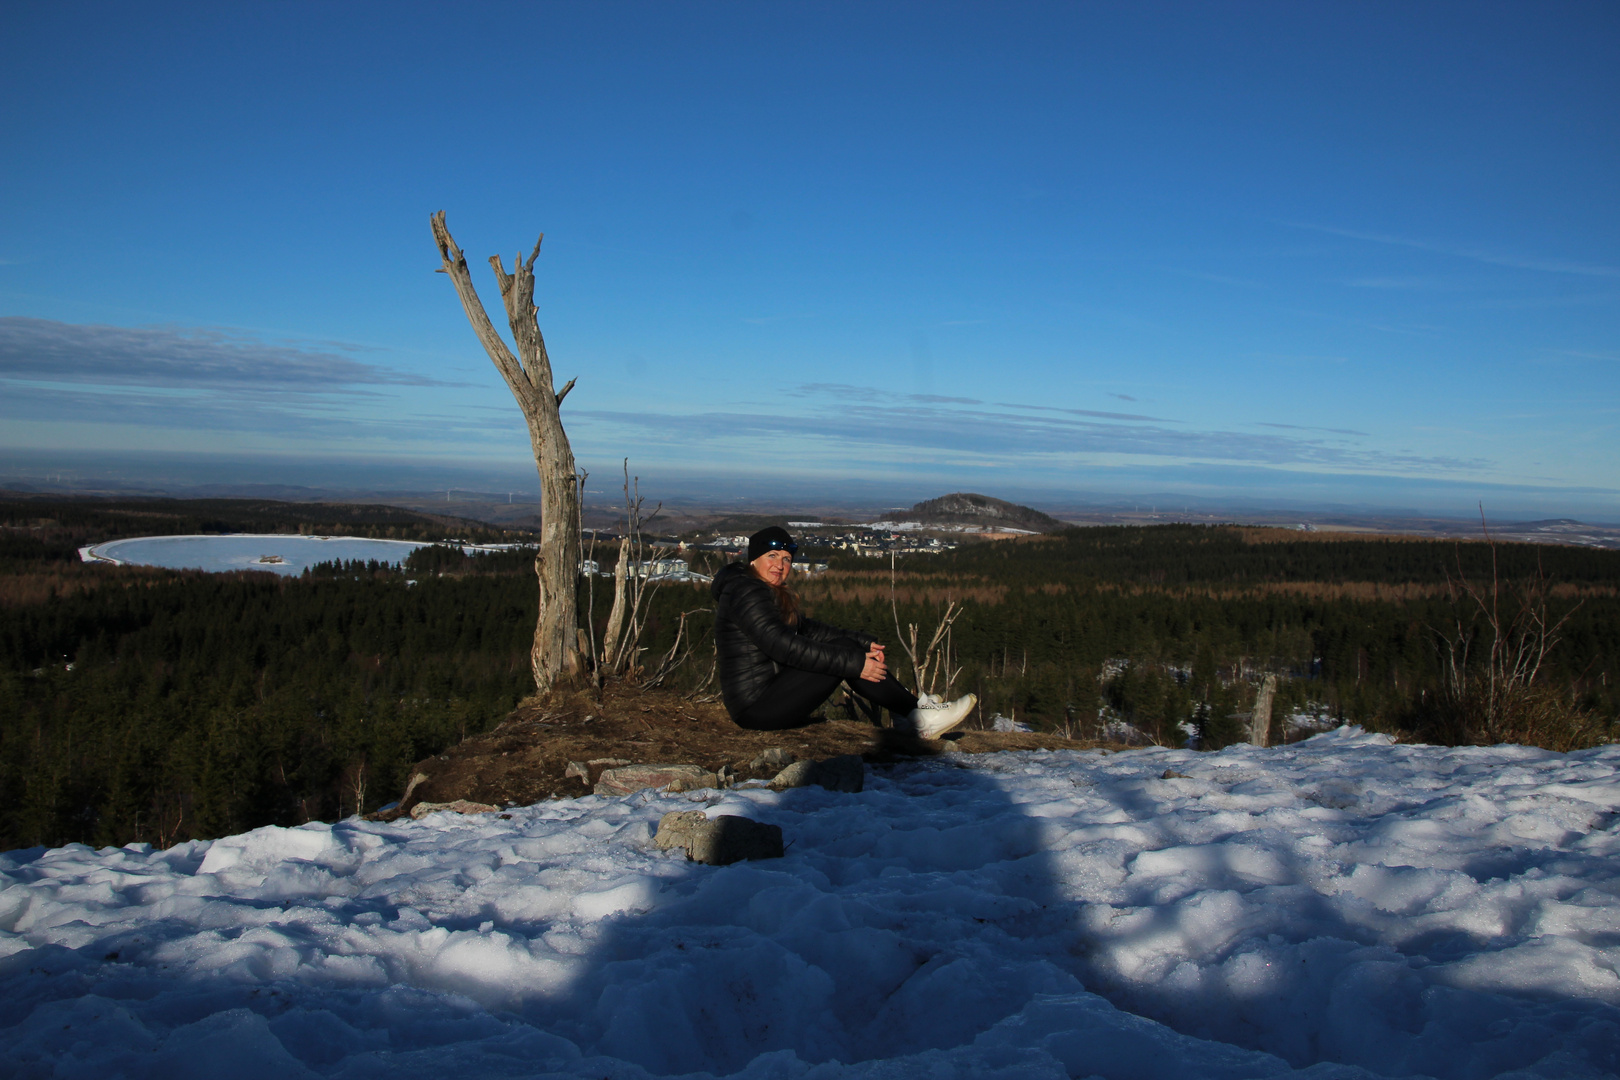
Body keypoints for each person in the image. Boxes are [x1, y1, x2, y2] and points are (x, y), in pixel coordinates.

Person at [711, 526, 977, 737]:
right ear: (754, 560)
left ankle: (912, 713)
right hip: (756, 707)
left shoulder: (760, 590)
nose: (780, 565)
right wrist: (854, 662)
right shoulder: (747, 591)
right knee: (847, 656)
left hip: (768, 698)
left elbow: (808, 629)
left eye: (786, 559)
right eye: (772, 556)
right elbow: (780, 645)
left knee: (849, 649)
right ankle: (918, 715)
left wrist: (861, 643)